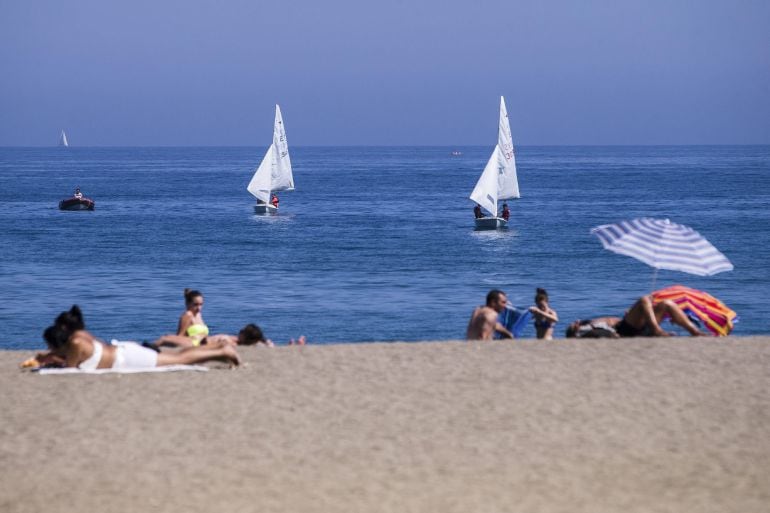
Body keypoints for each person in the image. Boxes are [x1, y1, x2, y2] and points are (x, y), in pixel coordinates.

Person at [40, 305, 240, 369]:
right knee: (180, 355)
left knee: (181, 359)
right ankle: (217, 351)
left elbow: (71, 368)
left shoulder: (75, 341)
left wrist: (51, 359)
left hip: (129, 358)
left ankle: (222, 350)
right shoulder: (81, 335)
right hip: (126, 351)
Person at [565, 295, 709, 338]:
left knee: (666, 303)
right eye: (572, 324)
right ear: (575, 328)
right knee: (643, 300)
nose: (575, 321)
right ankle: (656, 330)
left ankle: (694, 332)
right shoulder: (585, 328)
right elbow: (603, 332)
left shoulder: (588, 322)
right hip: (625, 329)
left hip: (631, 325)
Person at [153, 323, 281, 349]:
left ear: (245, 337)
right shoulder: (235, 339)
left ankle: (149, 349)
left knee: (166, 339)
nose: (240, 331)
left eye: (243, 331)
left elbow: (212, 345)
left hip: (195, 344)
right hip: (196, 340)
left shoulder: (231, 342)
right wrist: (266, 342)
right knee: (166, 338)